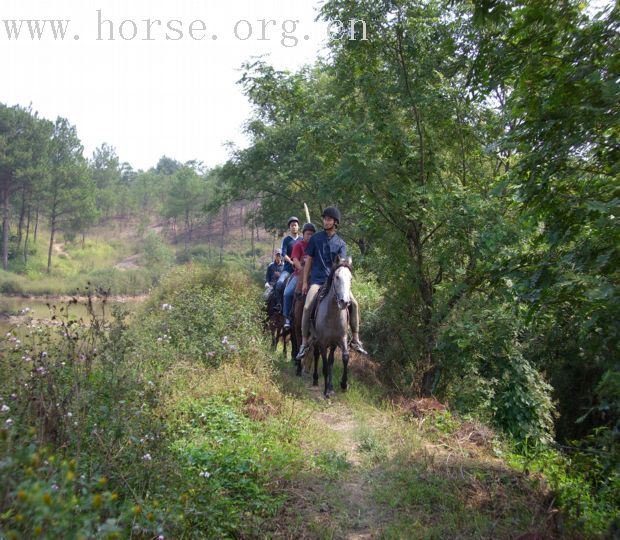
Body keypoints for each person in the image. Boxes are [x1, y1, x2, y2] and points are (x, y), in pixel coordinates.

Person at [296, 207, 368, 360]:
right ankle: (304, 343)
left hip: (335, 283)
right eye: (324, 219)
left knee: (354, 303)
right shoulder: (315, 239)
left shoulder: (341, 244)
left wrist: (344, 285)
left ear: (335, 222)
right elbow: (308, 260)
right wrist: (304, 282)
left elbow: (342, 266)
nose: (325, 221)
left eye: (329, 219)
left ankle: (355, 339)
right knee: (308, 306)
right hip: (317, 281)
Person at [283, 222, 316, 330]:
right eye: (307, 234)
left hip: (315, 276)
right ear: (304, 234)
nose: (310, 236)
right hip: (299, 275)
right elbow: (295, 260)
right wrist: (303, 270)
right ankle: (287, 317)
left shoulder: (316, 245)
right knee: (287, 293)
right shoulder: (298, 245)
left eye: (312, 234)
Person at [274, 216, 300, 310]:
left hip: (301, 270)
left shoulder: (302, 240)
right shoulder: (286, 240)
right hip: (288, 269)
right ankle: (279, 304)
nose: (294, 227)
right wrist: (291, 261)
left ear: (298, 227)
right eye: (292, 225)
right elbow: (283, 253)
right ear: (289, 227)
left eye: (295, 225)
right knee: (279, 283)